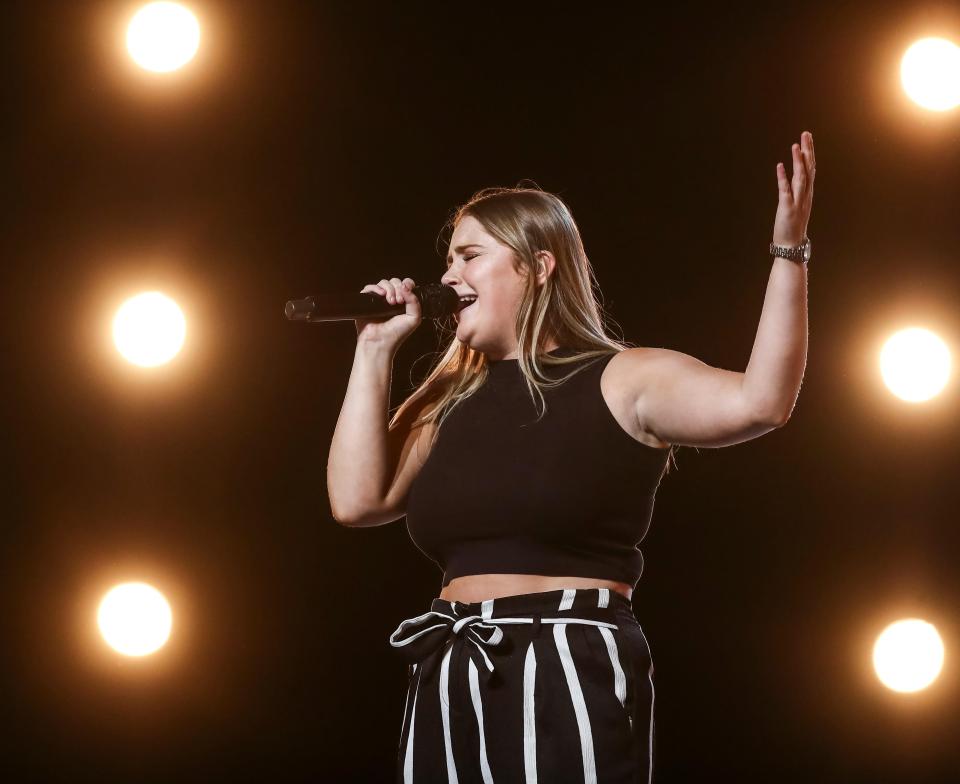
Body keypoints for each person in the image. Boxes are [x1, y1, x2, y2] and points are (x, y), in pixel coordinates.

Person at [326, 132, 814, 784]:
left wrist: (790, 252)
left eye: (469, 256)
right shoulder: (445, 399)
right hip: (451, 664)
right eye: (447, 261)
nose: (447, 277)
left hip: (565, 660)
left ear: (537, 266)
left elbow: (762, 402)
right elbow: (357, 502)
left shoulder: (623, 378)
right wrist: (373, 351)